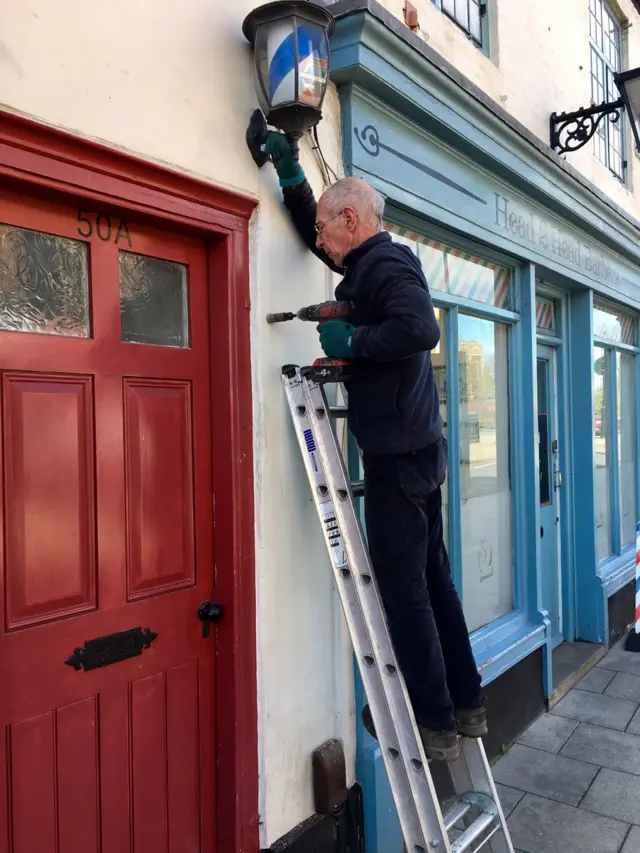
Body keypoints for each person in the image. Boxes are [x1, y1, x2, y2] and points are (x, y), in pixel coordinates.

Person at [263, 130, 486, 762]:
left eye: (329, 233)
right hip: (418, 450)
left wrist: (352, 345)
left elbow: (420, 329)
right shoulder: (371, 264)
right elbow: (324, 236)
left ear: (353, 220)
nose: (322, 247)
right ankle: (465, 703)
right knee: (433, 578)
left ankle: (431, 721)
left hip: (399, 457)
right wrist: (291, 177)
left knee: (401, 584)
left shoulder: (383, 265)